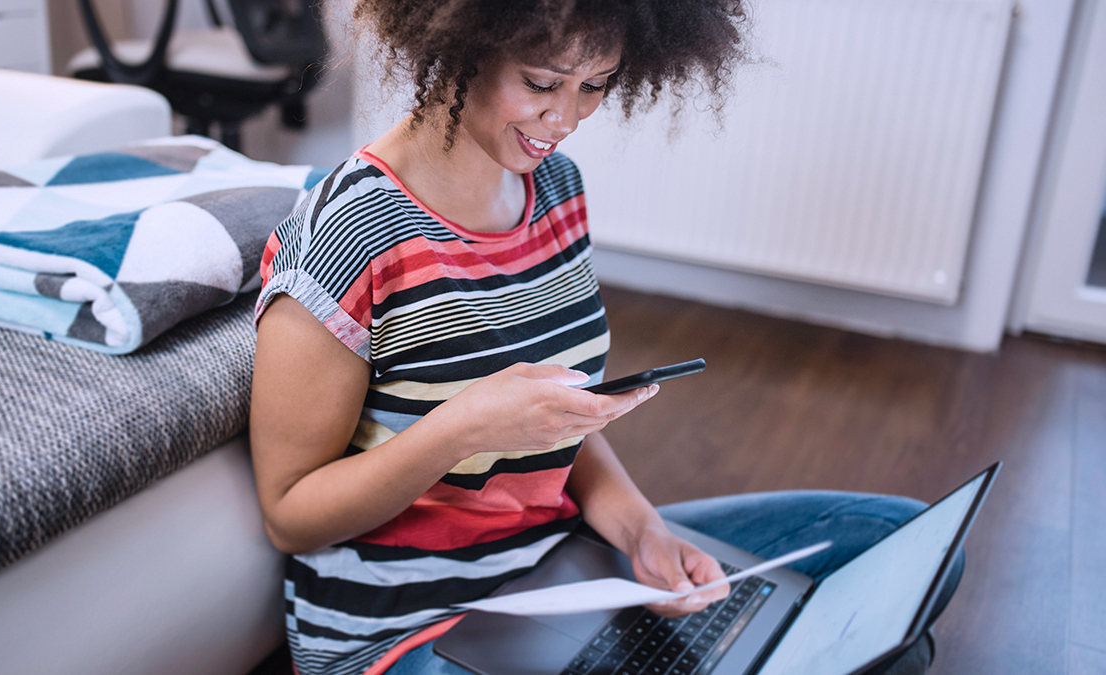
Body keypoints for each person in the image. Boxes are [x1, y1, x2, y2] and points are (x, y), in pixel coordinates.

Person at [249, 2, 960, 674]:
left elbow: (560, 421)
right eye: (541, 83)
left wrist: (641, 530)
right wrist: (459, 427)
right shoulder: (348, 234)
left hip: (559, 571)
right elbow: (290, 515)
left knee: (904, 543)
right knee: (889, 649)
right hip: (406, 626)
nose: (565, 119)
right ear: (462, 44)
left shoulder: (556, 187)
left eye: (594, 86)